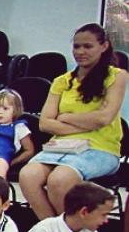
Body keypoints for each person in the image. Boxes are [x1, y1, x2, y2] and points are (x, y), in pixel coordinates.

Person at [19, 24, 127, 219]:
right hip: (61, 146)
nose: (80, 52)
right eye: (76, 46)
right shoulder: (62, 81)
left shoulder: (117, 76)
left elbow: (104, 118)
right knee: (28, 176)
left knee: (59, 180)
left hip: (100, 148)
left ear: (104, 46)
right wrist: (88, 123)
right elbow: (45, 123)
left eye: (87, 46)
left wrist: (66, 118)